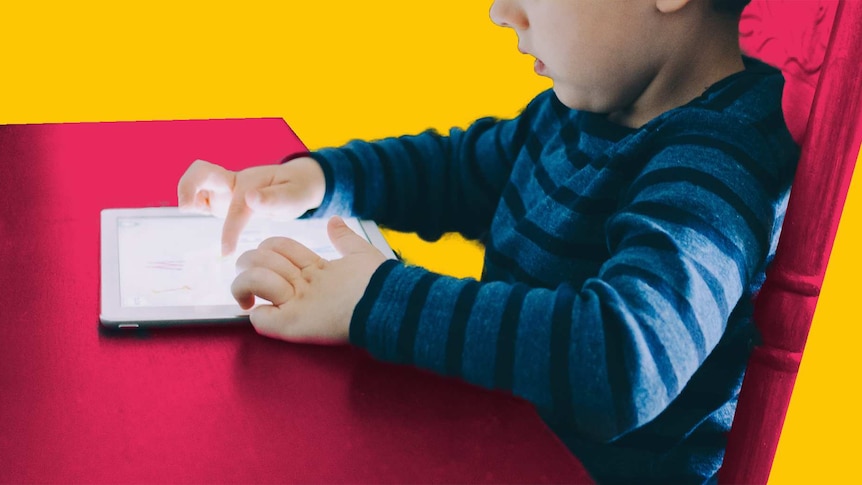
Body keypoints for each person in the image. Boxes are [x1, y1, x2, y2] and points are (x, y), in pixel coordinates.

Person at [177, 0, 799, 482]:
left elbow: (623, 360)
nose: (502, 13)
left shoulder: (719, 163)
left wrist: (375, 296)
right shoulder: (584, 112)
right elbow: (456, 172)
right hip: (497, 443)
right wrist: (318, 180)